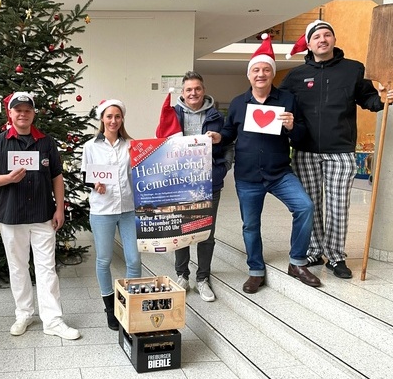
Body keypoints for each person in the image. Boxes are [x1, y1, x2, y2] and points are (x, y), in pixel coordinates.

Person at [206, 34, 321, 294]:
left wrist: (292, 127)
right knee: (250, 224)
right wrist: (217, 138)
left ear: (272, 74)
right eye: (256, 70)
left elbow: (301, 134)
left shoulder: (287, 100)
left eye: (266, 69)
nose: (261, 74)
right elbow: (228, 134)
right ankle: (255, 270)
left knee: (304, 207)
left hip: (280, 173)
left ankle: (297, 262)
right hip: (247, 177)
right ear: (249, 75)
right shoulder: (237, 103)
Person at [280, 20, 393, 279]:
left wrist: (382, 100)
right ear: (309, 44)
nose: (322, 39)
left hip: (340, 151)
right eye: (317, 36)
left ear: (333, 39)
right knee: (311, 205)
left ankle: (336, 256)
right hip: (305, 151)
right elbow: (280, 104)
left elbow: (368, 99)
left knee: (338, 205)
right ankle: (314, 250)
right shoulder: (295, 76)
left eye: (327, 35)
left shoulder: (353, 69)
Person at [0, 91, 80, 340]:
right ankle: (23, 313)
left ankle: (53, 320)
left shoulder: (46, 143)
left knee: (47, 268)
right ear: (10, 113)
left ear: (33, 113)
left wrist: (59, 208)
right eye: (18, 110)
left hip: (42, 215)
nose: (23, 114)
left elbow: (57, 176)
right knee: (17, 267)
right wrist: (7, 178)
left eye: (27, 109)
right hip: (11, 216)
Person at [155, 71, 234, 302]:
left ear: (204, 90)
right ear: (183, 92)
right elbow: (161, 144)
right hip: (180, 184)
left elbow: (229, 143)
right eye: (189, 89)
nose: (193, 93)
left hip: (209, 183)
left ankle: (203, 278)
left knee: (206, 233)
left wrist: (224, 167)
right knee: (182, 230)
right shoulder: (172, 114)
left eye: (197, 89)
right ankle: (182, 275)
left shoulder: (217, 116)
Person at [81, 99, 142, 330]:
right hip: (102, 210)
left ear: (122, 118)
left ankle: (133, 302)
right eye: (109, 116)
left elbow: (138, 173)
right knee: (104, 260)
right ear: (102, 119)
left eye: (117, 116)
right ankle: (109, 307)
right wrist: (94, 183)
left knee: (134, 259)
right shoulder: (90, 146)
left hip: (128, 209)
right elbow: (85, 174)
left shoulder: (131, 145)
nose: (113, 120)